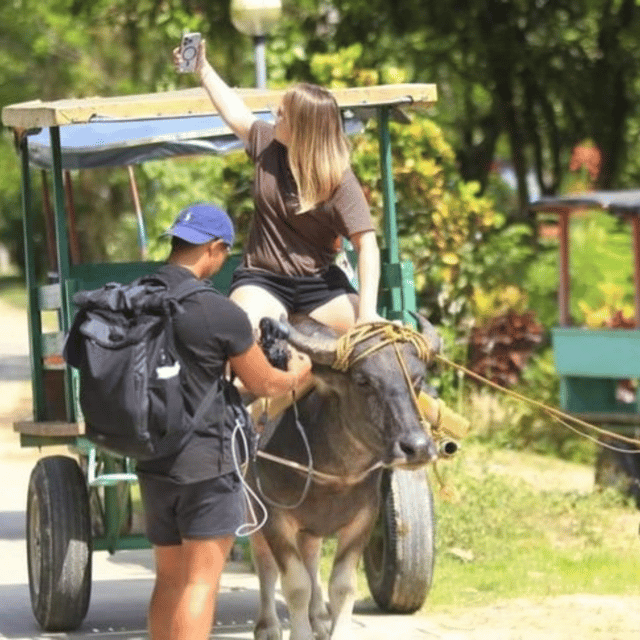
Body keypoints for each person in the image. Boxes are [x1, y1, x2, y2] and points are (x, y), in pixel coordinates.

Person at [135, 203, 312, 640]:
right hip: (206, 463)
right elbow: (266, 383)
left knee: (170, 580)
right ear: (214, 249)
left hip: (151, 457)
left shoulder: (137, 298)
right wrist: (299, 372)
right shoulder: (218, 312)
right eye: (223, 253)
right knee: (201, 582)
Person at [173, 40, 383, 335]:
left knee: (371, 343)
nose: (274, 115)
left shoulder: (339, 179)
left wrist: (368, 313)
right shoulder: (267, 143)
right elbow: (235, 111)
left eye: (282, 113)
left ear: (302, 130)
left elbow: (367, 246)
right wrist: (203, 68)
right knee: (240, 330)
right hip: (263, 280)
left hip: (320, 285)